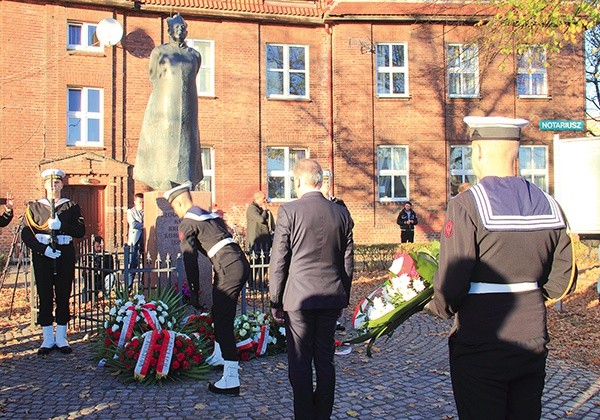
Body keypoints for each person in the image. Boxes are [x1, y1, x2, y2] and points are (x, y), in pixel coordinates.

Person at [424, 116, 577, 420]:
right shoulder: (550, 204)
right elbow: (562, 281)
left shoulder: (467, 204)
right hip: (532, 334)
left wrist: (437, 306)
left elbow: (453, 280)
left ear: (477, 152)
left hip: (482, 336)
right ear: (515, 153)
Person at [269, 159, 354, 420]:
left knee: (300, 361)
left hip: (299, 298)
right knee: (325, 360)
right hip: (330, 295)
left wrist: (275, 299)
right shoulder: (341, 213)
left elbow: (279, 258)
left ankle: (304, 415)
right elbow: (348, 260)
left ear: (298, 181)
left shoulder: (289, 211)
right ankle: (322, 415)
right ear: (320, 181)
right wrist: (344, 295)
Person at [163, 181, 250, 395]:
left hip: (227, 268)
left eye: (174, 208)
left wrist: (193, 289)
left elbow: (189, 258)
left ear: (181, 203)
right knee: (220, 313)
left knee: (223, 318)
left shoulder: (187, 223)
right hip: (236, 264)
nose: (175, 213)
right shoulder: (209, 216)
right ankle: (220, 354)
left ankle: (231, 377)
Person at [134, 13, 203, 191]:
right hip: (165, 99)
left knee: (188, 135)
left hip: (189, 101)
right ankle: (165, 177)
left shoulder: (194, 55)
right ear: (169, 30)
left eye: (183, 28)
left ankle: (186, 177)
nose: (180, 30)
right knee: (165, 134)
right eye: (176, 27)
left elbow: (192, 75)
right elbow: (153, 75)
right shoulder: (160, 52)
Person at [21, 169, 85, 355]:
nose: (53, 185)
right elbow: (27, 234)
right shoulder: (34, 207)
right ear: (44, 185)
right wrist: (44, 250)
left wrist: (62, 226)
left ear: (62, 185)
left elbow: (80, 231)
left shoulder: (71, 206)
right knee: (45, 295)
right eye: (50, 183)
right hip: (44, 256)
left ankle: (61, 337)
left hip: (64, 254)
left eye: (57, 182)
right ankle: (48, 337)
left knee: (64, 294)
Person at [83, 236, 114, 302]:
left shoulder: (107, 255)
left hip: (103, 279)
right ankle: (92, 295)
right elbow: (83, 274)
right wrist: (88, 271)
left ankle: (106, 295)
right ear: (93, 245)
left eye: (101, 246)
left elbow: (111, 270)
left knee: (111, 277)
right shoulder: (88, 256)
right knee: (84, 299)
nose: (99, 248)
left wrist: (100, 270)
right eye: (97, 246)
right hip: (91, 281)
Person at [245, 191, 275, 255]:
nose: (265, 200)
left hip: (263, 240)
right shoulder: (252, 209)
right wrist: (264, 210)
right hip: (256, 240)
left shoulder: (260, 208)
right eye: (263, 198)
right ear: (258, 199)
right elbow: (261, 220)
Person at [127, 193, 144, 288]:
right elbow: (133, 224)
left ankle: (143, 286)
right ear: (135, 202)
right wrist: (146, 225)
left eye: (143, 202)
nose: (141, 204)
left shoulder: (148, 211)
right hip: (135, 241)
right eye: (140, 202)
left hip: (146, 240)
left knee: (147, 263)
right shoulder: (131, 211)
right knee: (132, 264)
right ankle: (128, 287)